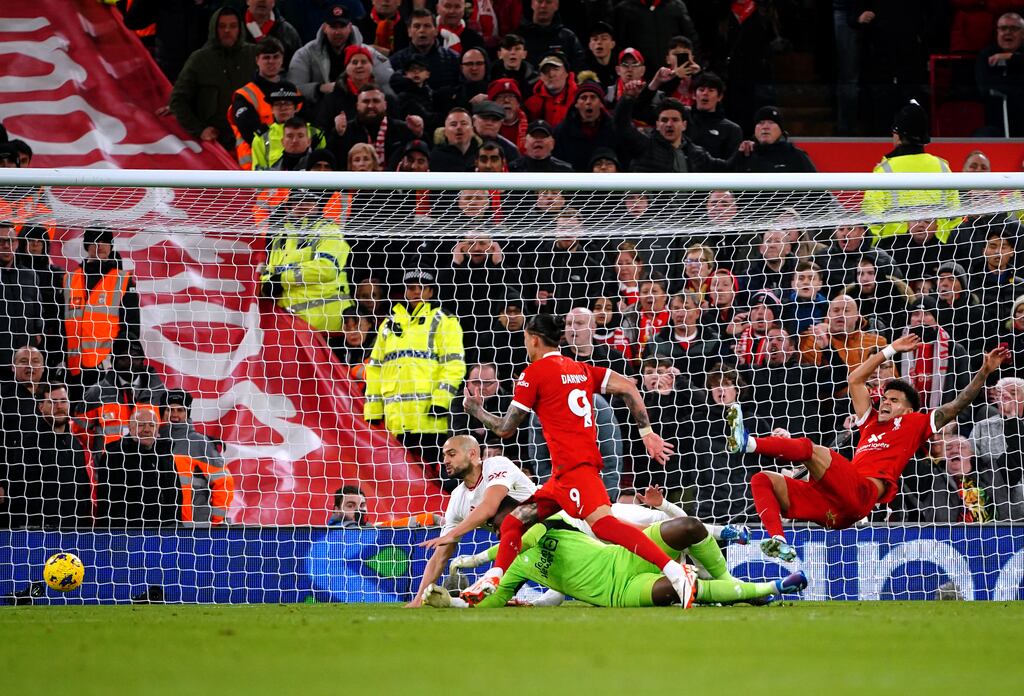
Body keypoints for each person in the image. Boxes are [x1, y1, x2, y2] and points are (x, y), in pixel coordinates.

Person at [458, 314, 695, 607]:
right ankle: (493, 578)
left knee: (604, 526)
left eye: (525, 339)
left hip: (575, 470)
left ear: (534, 339)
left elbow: (505, 429)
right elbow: (629, 386)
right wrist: (647, 433)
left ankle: (676, 572)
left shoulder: (534, 373)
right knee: (515, 520)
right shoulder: (580, 369)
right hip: (561, 477)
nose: (525, 344)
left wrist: (476, 410)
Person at [728, 335, 1010, 562]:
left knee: (810, 449)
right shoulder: (870, 421)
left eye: (894, 400)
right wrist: (890, 349)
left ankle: (749, 443)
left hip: (862, 494)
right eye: (885, 397)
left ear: (908, 410)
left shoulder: (917, 423)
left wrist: (984, 371)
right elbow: (855, 379)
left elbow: (957, 404)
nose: (885, 402)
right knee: (763, 479)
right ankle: (778, 539)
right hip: (837, 509)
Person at [423, 515, 803, 609]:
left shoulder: (541, 527)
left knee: (688, 526)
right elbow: (490, 601)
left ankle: (732, 584)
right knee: (678, 587)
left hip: (627, 554)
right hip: (619, 592)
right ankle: (765, 589)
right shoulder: (518, 568)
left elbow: (511, 543)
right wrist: (451, 602)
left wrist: (476, 559)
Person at [407, 434, 536, 606]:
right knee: (485, 600)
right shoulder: (457, 498)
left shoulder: (496, 464)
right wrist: (417, 600)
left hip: (557, 527)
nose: (445, 461)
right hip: (524, 552)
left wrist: (452, 534)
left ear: (473, 454)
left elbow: (489, 506)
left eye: (452, 454)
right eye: (444, 455)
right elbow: (439, 557)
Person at [364, 269, 466, 480]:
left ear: (430, 292)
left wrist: (441, 400)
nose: (416, 292)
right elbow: (374, 368)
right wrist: (373, 409)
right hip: (396, 421)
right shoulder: (389, 324)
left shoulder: (444, 321)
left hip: (430, 420)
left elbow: (454, 364)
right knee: (400, 480)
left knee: (434, 478)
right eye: (411, 288)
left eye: (422, 288)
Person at [861, 100, 962, 244]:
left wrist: (874, 253)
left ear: (898, 136)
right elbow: (955, 219)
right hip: (938, 252)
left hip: (893, 252)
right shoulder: (943, 168)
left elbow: (871, 220)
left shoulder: (884, 171)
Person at [261, 188, 354, 332]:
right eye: (297, 201)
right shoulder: (280, 236)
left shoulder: (329, 231)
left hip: (326, 325)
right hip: (288, 324)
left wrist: (281, 280)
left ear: (318, 205)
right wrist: (266, 284)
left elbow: (326, 269)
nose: (303, 205)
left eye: (309, 201)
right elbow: (269, 270)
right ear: (289, 206)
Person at [169, 6, 258, 152]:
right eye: (222, 26)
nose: (227, 30)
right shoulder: (199, 59)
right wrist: (199, 130)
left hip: (252, 139)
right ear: (213, 29)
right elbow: (178, 100)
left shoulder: (254, 55)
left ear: (240, 29)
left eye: (233, 26)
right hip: (215, 143)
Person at [63, 226, 138, 393]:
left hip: (107, 365)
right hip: (73, 366)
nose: (100, 246)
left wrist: (122, 361)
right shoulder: (69, 279)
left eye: (105, 242)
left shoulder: (123, 280)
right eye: (95, 241)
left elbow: (132, 327)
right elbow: (61, 322)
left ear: (111, 246)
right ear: (87, 245)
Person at [75, 337, 167, 458]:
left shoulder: (160, 393)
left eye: (135, 357)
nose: (130, 362)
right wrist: (100, 452)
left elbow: (168, 430)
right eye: (124, 358)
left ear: (142, 361)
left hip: (150, 462)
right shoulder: (96, 394)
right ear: (113, 361)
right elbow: (80, 430)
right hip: (109, 464)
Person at [614, 82, 728, 173]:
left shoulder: (696, 153)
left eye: (675, 120)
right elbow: (621, 126)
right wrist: (628, 98)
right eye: (664, 120)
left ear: (684, 125)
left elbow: (727, 167)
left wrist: (739, 152)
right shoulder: (644, 145)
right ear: (657, 125)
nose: (669, 124)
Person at [160, 389, 235, 525]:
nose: (174, 415)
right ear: (162, 412)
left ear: (187, 413)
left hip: (194, 527)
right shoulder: (152, 442)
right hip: (160, 526)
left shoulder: (200, 443)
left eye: (180, 410)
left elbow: (224, 482)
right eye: (169, 410)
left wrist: (216, 521)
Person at [95, 409, 180, 526]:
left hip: (166, 531)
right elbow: (108, 505)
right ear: (130, 428)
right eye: (141, 425)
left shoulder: (165, 454)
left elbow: (176, 495)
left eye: (152, 425)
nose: (147, 429)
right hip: (129, 533)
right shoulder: (114, 456)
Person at [920, 436, 1024, 522]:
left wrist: (1011, 419)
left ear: (971, 453)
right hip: (948, 539)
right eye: (948, 448)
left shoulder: (994, 472)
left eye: (961, 447)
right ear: (943, 456)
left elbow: (1019, 449)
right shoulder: (930, 479)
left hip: (997, 537)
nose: (954, 450)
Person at [227, 37, 288, 169]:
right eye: (266, 57)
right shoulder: (244, 95)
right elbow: (251, 133)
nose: (271, 61)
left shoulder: (293, 92)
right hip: (255, 168)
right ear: (257, 60)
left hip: (289, 166)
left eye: (276, 57)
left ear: (282, 59)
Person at [612, 0, 698, 80]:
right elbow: (617, 45)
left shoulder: (676, 6)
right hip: (639, 79)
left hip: (674, 76)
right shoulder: (624, 9)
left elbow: (691, 40)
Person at [552, 78, 617, 172]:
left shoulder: (615, 129)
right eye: (583, 98)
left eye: (593, 97)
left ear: (601, 103)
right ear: (576, 104)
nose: (588, 102)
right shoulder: (561, 131)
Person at [976, 12, 1024, 136]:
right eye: (1003, 28)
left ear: (1023, 33)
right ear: (997, 32)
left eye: (1014, 28)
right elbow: (984, 87)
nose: (1008, 32)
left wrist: (1011, 58)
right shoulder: (987, 54)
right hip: (996, 121)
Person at [388, 10, 461, 90]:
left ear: (436, 30)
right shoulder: (395, 61)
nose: (422, 30)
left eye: (427, 26)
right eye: (417, 26)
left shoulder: (454, 59)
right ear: (409, 31)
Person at [732, 106, 817, 174]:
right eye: (761, 123)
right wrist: (738, 156)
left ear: (781, 130)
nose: (765, 127)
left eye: (771, 122)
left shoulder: (796, 156)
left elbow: (816, 188)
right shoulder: (745, 154)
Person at [686, 72, 743, 160]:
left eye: (711, 90)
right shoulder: (681, 120)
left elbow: (731, 164)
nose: (705, 93)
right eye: (701, 90)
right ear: (694, 95)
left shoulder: (732, 130)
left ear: (719, 97)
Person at [519, 0, 585, 72]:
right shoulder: (519, 36)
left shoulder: (568, 37)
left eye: (548, 2)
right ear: (532, 4)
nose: (543, 6)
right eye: (540, 2)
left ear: (556, 6)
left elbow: (580, 66)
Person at [524, 52, 578, 126]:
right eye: (545, 70)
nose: (551, 74)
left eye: (556, 69)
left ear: (566, 73)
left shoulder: (580, 99)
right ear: (540, 76)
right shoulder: (531, 104)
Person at [241, 0, 301, 66]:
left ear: (274, 2)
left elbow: (298, 67)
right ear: (247, 1)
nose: (262, 0)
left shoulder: (288, 32)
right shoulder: (235, 29)